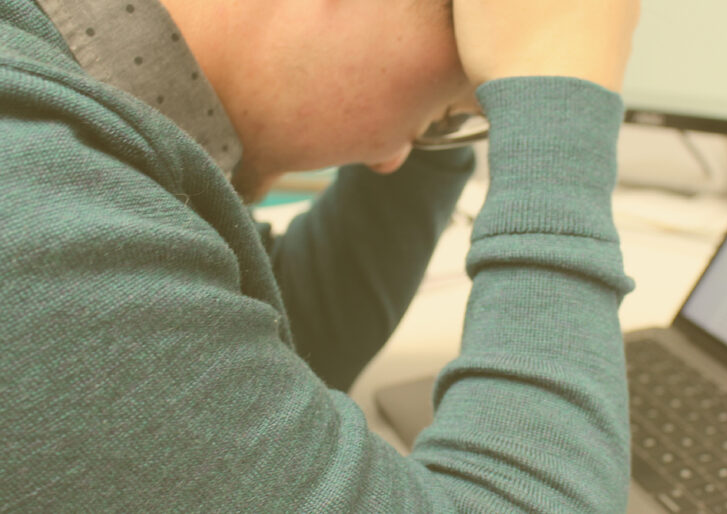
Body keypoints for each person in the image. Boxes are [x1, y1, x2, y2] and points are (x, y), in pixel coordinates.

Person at [0, 0, 640, 510]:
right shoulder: (36, 210)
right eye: (448, 113)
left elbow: (285, 338)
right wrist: (557, 108)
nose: (392, 158)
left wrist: (435, 116)